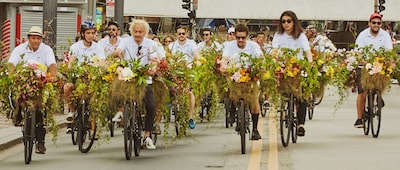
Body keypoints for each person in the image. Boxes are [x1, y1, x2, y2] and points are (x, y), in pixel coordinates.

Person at [8, 26, 58, 154]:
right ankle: (17, 114)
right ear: (28, 38)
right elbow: (12, 63)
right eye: (33, 38)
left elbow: (52, 64)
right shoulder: (20, 49)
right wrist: (11, 75)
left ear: (41, 39)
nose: (35, 41)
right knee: (14, 94)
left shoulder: (46, 50)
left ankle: (40, 142)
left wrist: (52, 76)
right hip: (24, 82)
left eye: (38, 38)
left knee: (41, 110)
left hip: (41, 83)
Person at [113, 19, 158, 149]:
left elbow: (154, 60)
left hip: (144, 78)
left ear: (145, 32)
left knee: (150, 106)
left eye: (140, 32)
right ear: (131, 31)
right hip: (128, 77)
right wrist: (118, 53)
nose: (137, 35)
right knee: (115, 90)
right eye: (135, 32)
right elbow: (117, 51)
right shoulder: (125, 41)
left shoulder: (150, 44)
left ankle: (147, 135)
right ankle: (122, 111)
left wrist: (152, 69)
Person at [271, 10, 313, 136]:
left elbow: (307, 52)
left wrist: (309, 64)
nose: (286, 24)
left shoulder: (301, 36)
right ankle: (284, 109)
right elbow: (275, 51)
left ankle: (301, 124)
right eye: (283, 21)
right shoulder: (278, 35)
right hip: (284, 67)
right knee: (283, 92)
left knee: (301, 96)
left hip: (298, 67)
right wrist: (274, 61)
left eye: (288, 21)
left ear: (294, 22)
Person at [222, 23, 263, 140]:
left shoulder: (253, 46)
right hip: (234, 75)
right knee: (227, 89)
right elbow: (224, 59)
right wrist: (223, 66)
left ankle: (255, 129)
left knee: (254, 103)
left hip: (250, 76)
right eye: (238, 37)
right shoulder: (230, 46)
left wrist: (261, 66)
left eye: (243, 37)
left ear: (247, 36)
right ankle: (232, 110)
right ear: (234, 36)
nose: (240, 40)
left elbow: (261, 58)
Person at [65, 21, 106, 133]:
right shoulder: (75, 47)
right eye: (88, 33)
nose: (91, 35)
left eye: (93, 33)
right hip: (78, 76)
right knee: (67, 87)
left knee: (94, 100)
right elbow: (71, 62)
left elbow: (102, 63)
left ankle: (93, 130)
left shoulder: (98, 48)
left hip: (92, 77)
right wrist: (71, 68)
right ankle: (72, 111)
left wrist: (98, 69)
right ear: (83, 34)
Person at [353, 12, 392, 128]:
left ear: (381, 24)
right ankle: (359, 118)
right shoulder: (363, 35)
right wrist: (364, 62)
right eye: (373, 23)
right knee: (363, 93)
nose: (376, 25)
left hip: (379, 64)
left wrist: (389, 62)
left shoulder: (385, 35)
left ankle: (378, 97)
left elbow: (389, 51)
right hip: (365, 65)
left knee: (380, 81)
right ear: (369, 24)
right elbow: (358, 52)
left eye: (378, 23)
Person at [168, 25, 199, 129]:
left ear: (187, 34)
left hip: (188, 70)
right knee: (170, 88)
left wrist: (197, 61)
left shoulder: (191, 44)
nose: (181, 35)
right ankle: (172, 101)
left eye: (183, 33)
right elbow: (167, 57)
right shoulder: (172, 46)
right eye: (179, 33)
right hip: (175, 71)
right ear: (176, 34)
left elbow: (196, 54)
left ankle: (190, 117)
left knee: (189, 93)